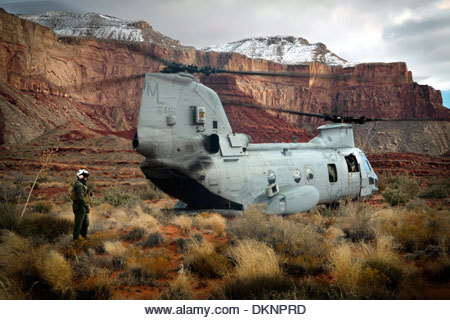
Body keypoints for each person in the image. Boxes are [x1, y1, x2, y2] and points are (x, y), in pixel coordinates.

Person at [72, 168, 90, 241]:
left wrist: (88, 193)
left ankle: (83, 237)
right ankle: (75, 240)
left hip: (82, 207)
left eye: (86, 177)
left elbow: (82, 195)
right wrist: (86, 206)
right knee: (78, 224)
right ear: (80, 176)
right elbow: (80, 197)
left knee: (85, 223)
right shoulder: (79, 185)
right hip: (80, 207)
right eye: (84, 176)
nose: (86, 178)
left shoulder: (82, 185)